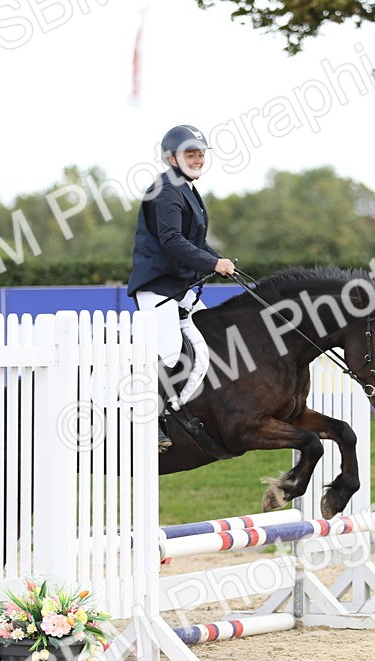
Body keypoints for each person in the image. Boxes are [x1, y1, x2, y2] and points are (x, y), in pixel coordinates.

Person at [128, 124, 235, 450]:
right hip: (157, 287)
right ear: (171, 158)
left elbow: (196, 242)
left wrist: (220, 261)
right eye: (191, 154)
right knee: (172, 351)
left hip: (179, 288)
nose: (198, 159)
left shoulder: (186, 188)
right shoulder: (165, 190)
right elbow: (172, 241)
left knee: (212, 337)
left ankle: (187, 408)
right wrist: (212, 264)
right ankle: (152, 420)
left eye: (200, 154)